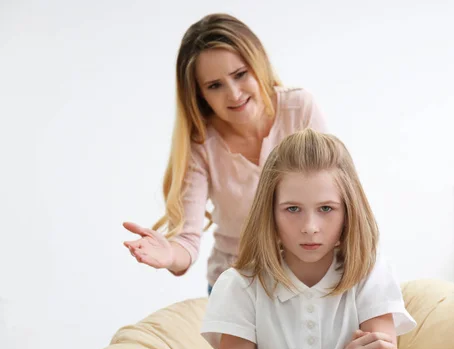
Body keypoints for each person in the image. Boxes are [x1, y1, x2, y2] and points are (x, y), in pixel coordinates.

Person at [200, 128, 417, 349]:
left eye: (326, 209)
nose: (310, 227)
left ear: (348, 213)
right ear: (271, 214)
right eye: (293, 209)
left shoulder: (370, 274)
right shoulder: (241, 285)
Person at [122, 13, 328, 293]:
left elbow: (333, 195)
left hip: (306, 276)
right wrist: (170, 255)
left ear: (259, 65)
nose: (233, 94)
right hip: (238, 285)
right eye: (214, 85)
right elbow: (187, 243)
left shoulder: (299, 108)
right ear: (200, 95)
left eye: (240, 75)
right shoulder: (201, 145)